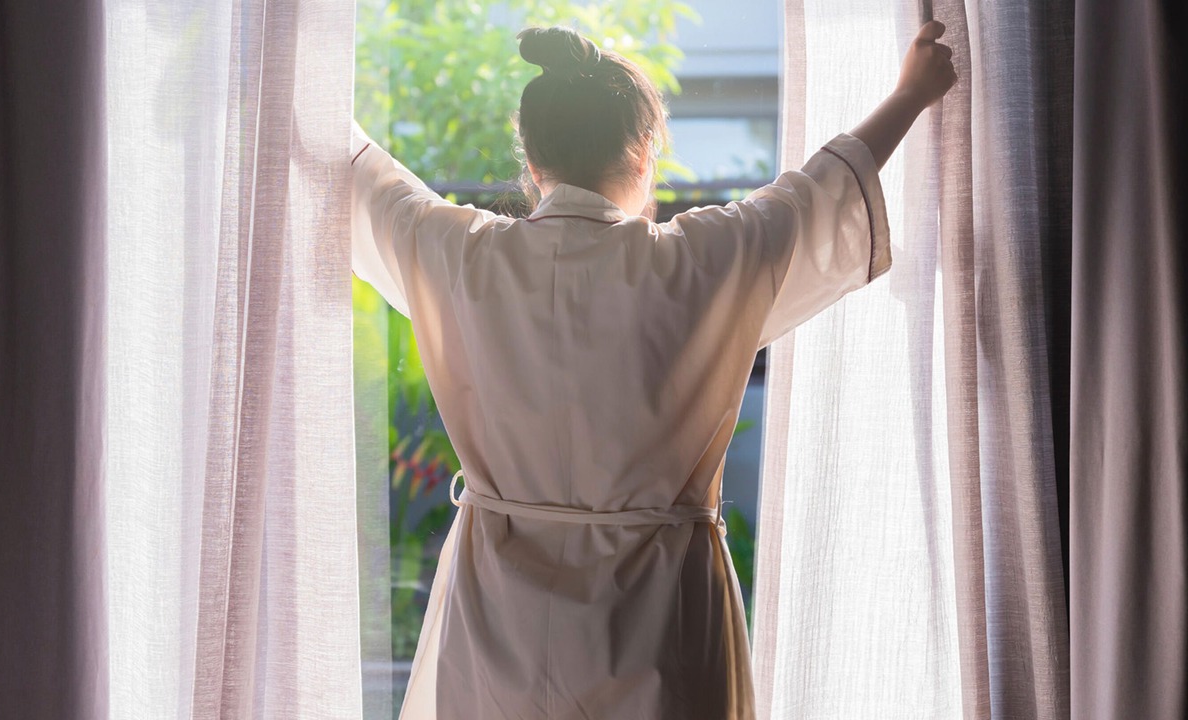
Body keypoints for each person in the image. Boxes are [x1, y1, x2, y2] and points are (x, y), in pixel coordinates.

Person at [350, 20, 956, 720]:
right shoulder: (695, 263)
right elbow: (816, 192)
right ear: (644, 156)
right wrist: (911, 94)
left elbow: (367, 177)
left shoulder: (464, 257)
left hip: (500, 629)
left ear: (534, 164)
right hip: (661, 619)